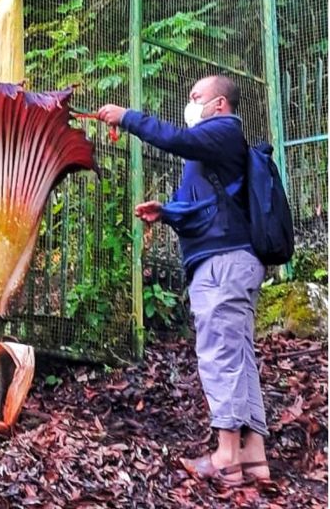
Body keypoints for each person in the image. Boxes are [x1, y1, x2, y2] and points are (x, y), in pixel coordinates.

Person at [96, 74, 269, 486]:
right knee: (239, 355)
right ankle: (254, 456)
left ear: (220, 105)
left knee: (220, 354)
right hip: (231, 258)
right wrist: (169, 211)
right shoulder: (217, 146)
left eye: (197, 97)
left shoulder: (223, 131)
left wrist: (128, 118)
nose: (190, 104)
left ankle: (226, 457)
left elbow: (175, 139)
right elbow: (208, 205)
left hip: (223, 263)